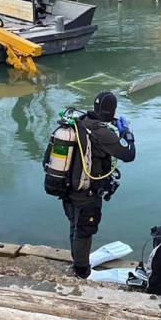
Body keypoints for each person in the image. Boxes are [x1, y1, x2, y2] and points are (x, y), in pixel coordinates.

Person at [44, 91, 136, 279]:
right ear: (112, 111)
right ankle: (82, 271)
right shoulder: (103, 133)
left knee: (74, 225)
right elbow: (129, 154)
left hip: (67, 188)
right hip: (87, 193)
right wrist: (127, 133)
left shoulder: (79, 123)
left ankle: (78, 261)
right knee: (84, 231)